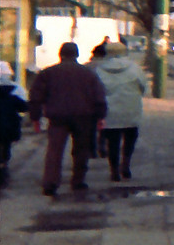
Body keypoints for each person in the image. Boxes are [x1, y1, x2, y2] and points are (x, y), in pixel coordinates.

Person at [28, 42, 108, 196]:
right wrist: (100, 116)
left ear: (60, 54)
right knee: (81, 149)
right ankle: (78, 180)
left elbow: (36, 96)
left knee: (54, 150)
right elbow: (99, 96)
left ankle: (51, 182)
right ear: (76, 55)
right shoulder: (88, 74)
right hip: (83, 116)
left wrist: (35, 117)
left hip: (57, 116)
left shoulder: (48, 73)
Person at [94, 40, 148, 182]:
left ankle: (114, 170)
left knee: (113, 142)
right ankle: (126, 164)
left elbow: (97, 90)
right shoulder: (134, 68)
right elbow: (143, 87)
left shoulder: (100, 69)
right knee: (130, 139)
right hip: (131, 108)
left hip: (110, 111)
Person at [0, 61, 29, 187]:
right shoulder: (16, 90)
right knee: (5, 149)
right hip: (8, 127)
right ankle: (3, 170)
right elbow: (24, 107)